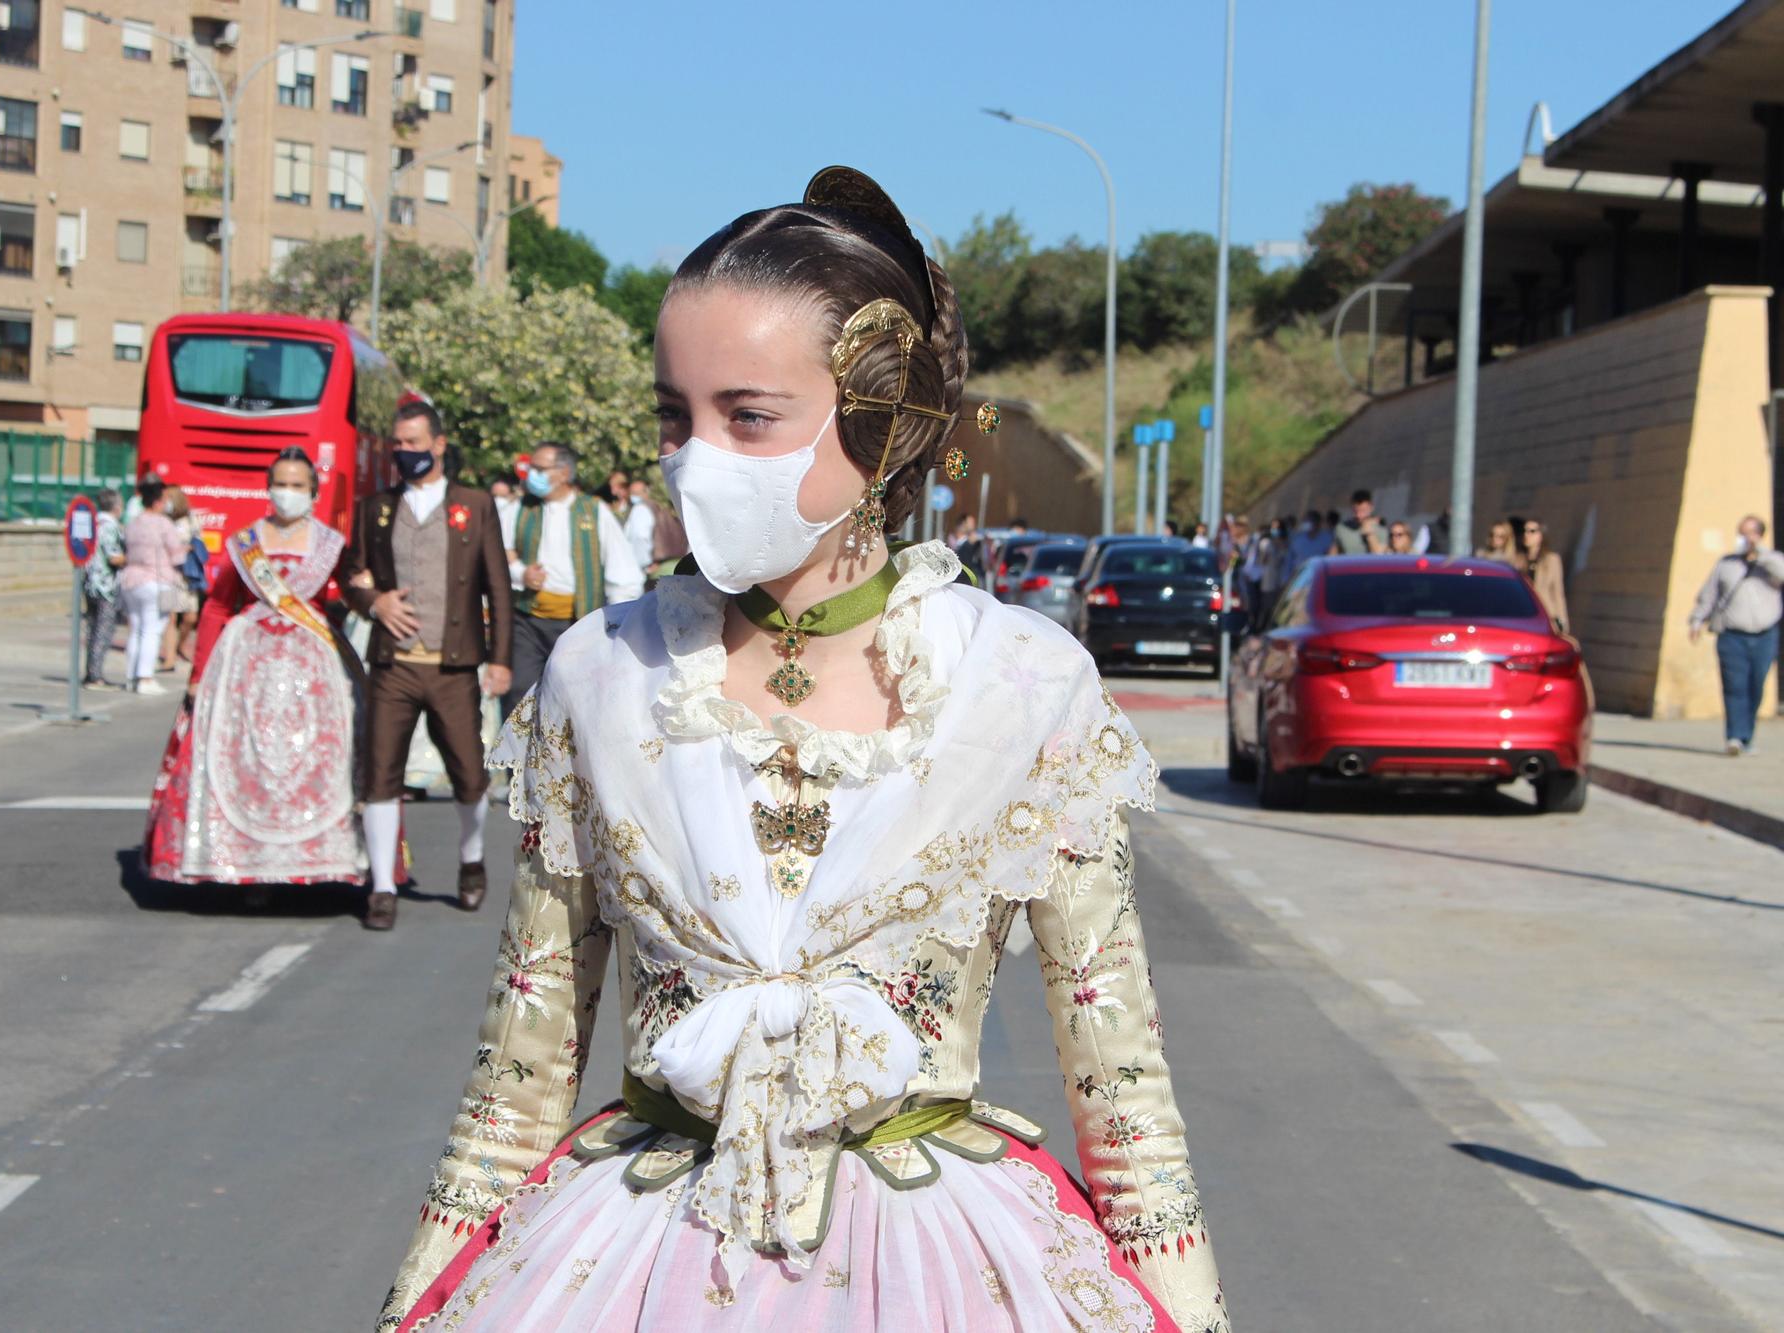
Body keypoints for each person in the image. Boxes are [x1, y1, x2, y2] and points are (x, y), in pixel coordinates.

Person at [377, 166, 1227, 1333]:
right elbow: (519, 1075)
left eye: (749, 416)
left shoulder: (1020, 686)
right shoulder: (597, 674)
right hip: (629, 1263)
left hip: (941, 1270)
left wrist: (1187, 1305)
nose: (695, 456)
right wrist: (419, 1295)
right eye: (675, 415)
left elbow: (1118, 1079)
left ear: (878, 422)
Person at [143, 448, 367, 892]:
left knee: (320, 759)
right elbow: (218, 607)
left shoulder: (329, 545)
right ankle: (245, 866)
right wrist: (198, 674)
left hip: (313, 672)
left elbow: (351, 598)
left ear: (313, 492)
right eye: (280, 484)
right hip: (245, 671)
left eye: (297, 486)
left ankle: (322, 861)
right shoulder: (246, 543)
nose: (287, 493)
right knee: (242, 759)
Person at [343, 400, 515, 930]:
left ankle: (470, 857)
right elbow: (353, 575)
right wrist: (375, 604)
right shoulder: (376, 507)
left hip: (453, 665)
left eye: (414, 443)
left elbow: (498, 587)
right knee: (380, 775)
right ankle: (383, 887)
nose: (404, 452)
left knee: (468, 774)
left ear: (439, 445)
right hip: (393, 665)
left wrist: (500, 659)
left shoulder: (474, 505)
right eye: (398, 443)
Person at [500, 441, 647, 713]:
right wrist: (521, 573)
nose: (531, 474)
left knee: (574, 701)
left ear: (564, 473)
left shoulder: (593, 511)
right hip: (528, 621)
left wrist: (613, 627)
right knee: (519, 695)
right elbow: (499, 551)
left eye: (540, 469)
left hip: (577, 623)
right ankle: (515, 755)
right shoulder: (520, 508)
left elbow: (622, 571)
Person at [1688, 514, 1784, 756]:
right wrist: (1697, 619)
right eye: (1742, 534)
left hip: (1765, 635)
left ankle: (1747, 736)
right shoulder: (1726, 563)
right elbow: (1709, 594)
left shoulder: (1773, 561)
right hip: (1732, 636)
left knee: (1756, 686)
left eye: (1750, 533)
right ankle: (1734, 737)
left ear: (1760, 535)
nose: (1745, 539)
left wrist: (1759, 555)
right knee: (1734, 686)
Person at [120, 475, 188, 695]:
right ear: (158, 500)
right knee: (151, 630)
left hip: (131, 579)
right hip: (157, 580)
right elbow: (177, 555)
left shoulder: (133, 523)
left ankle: (132, 676)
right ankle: (145, 678)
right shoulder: (163, 523)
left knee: (136, 630)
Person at [82, 488, 127, 691]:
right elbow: (114, 557)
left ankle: (91, 672)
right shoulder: (110, 527)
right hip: (105, 586)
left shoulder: (93, 523)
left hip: (89, 582)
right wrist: (133, 558)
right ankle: (95, 676)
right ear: (117, 507)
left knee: (92, 629)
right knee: (103, 630)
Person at [159, 485, 205, 673]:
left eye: (169, 497)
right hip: (166, 573)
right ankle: (169, 659)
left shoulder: (191, 519)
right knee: (169, 617)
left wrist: (191, 548)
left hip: (187, 574)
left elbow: (198, 542)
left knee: (190, 617)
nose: (165, 501)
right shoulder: (161, 520)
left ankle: (180, 645)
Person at [1520, 517, 1569, 633]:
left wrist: (1563, 621)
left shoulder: (1551, 559)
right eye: (1525, 531)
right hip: (1525, 615)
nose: (1527, 535)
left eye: (1532, 531)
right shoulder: (1519, 561)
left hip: (1547, 615)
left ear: (1541, 535)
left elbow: (1557, 592)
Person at [1329, 489, 1387, 555]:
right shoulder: (1341, 528)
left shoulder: (1381, 528)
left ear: (1371, 508)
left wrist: (1370, 534)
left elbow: (1379, 556)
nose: (1359, 515)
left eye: (1363, 511)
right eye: (1355, 511)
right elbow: (1333, 555)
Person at [1287, 507, 1326, 578]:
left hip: (1318, 577)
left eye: (1309, 521)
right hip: (1299, 578)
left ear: (1317, 523)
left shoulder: (1326, 539)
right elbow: (1289, 560)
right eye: (1305, 521)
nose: (1305, 523)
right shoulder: (1297, 539)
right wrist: (1286, 579)